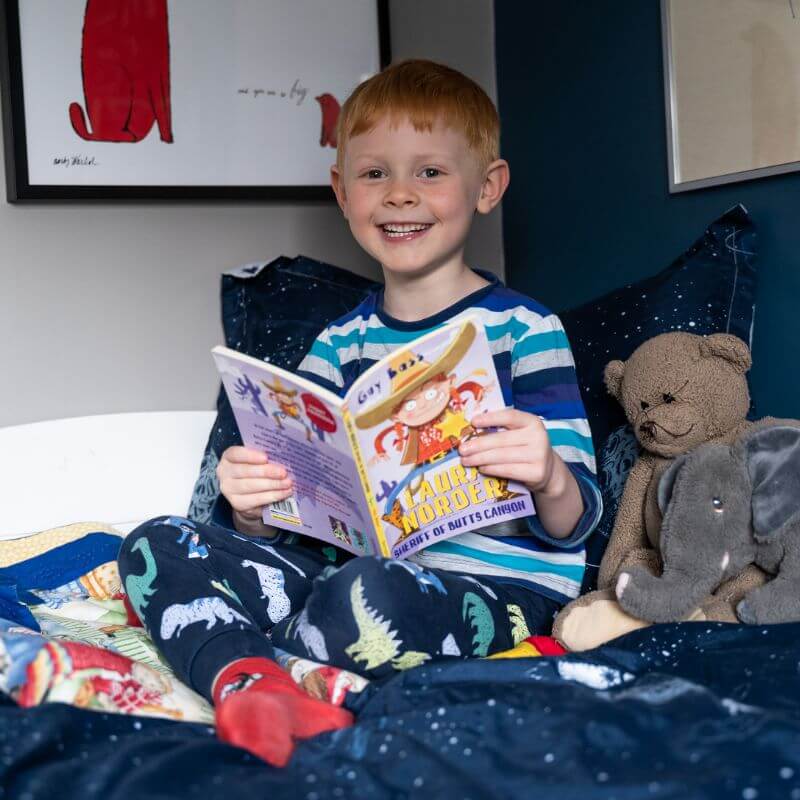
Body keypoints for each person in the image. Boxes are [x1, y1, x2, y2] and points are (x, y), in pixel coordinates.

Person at [118, 58, 602, 768]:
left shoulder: (524, 331)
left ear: (487, 188)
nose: (399, 195)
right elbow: (299, 517)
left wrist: (550, 476)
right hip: (340, 579)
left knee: (366, 595)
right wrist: (254, 507)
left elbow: (580, 518)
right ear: (343, 193)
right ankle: (250, 679)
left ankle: (280, 648)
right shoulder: (338, 344)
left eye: (430, 172)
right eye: (374, 174)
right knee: (154, 544)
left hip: (495, 593)